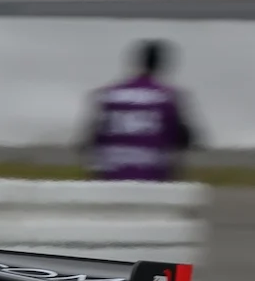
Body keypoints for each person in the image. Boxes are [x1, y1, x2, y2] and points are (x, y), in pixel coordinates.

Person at [82, 39, 200, 181]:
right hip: (151, 174)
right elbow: (185, 139)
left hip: (110, 174)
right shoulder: (168, 96)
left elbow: (90, 139)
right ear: (162, 64)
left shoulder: (109, 94)